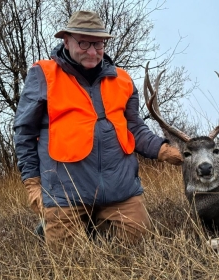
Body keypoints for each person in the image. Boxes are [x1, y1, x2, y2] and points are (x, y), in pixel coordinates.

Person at [13, 10, 183, 249]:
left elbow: (134, 127)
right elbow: (24, 132)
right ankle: (58, 223)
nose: (92, 51)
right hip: (65, 190)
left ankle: (95, 223)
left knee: (138, 246)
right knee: (69, 263)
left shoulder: (122, 80)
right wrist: (32, 183)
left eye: (98, 43)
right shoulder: (44, 75)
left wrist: (163, 150)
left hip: (119, 189)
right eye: (84, 43)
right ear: (67, 41)